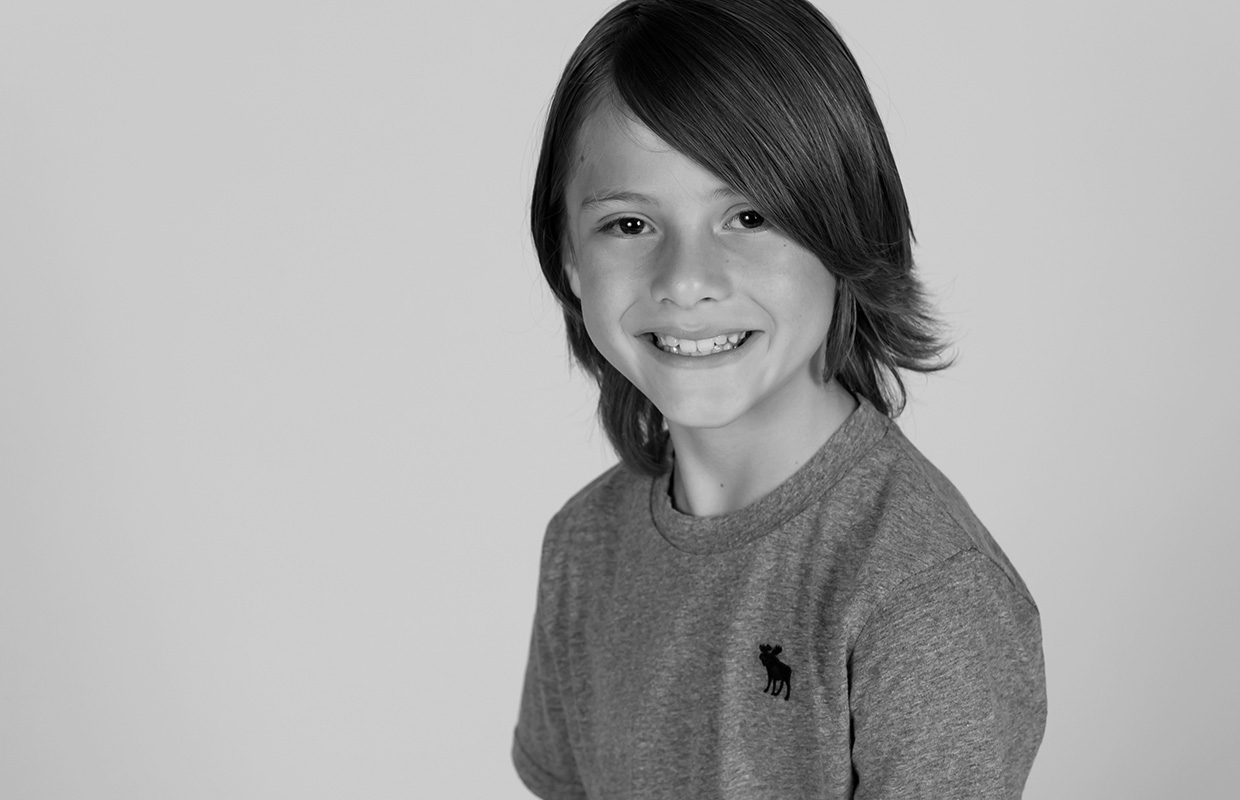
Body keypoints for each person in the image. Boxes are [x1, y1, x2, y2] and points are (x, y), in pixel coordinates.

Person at [512, 0, 1047, 797]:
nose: (686, 279)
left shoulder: (925, 592)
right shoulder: (582, 549)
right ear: (568, 256)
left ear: (844, 230)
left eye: (749, 216)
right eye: (629, 224)